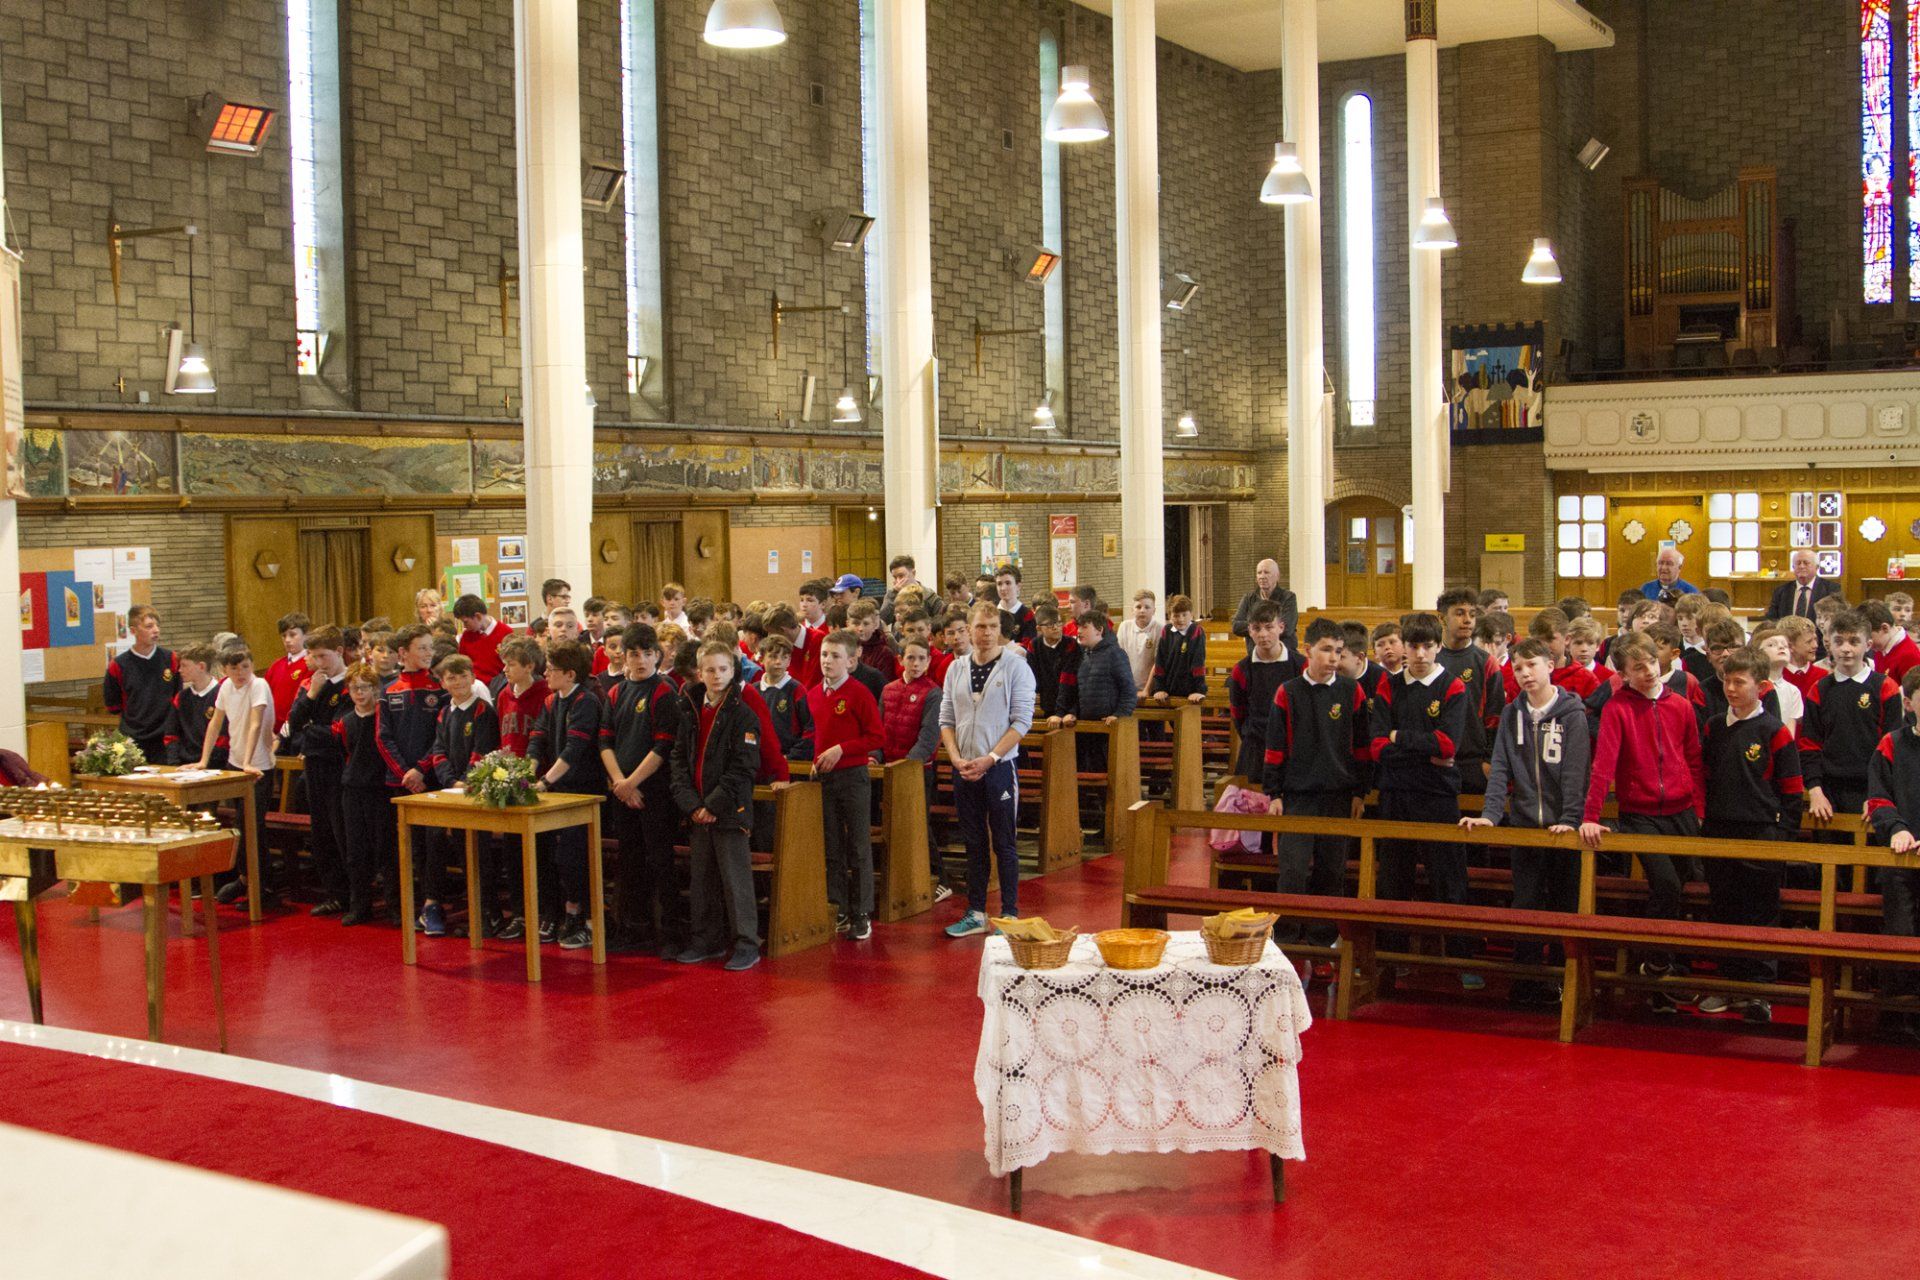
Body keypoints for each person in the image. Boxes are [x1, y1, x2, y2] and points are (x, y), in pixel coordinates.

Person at [1580, 633, 1706, 1011]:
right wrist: (1591, 816)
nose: (1648, 671)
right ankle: (1654, 961)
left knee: (1683, 886)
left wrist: (1699, 809)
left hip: (1682, 811)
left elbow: (1694, 760)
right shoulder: (1617, 708)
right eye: (1637, 667)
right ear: (1623, 674)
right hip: (1641, 814)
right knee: (1665, 884)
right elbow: (1604, 766)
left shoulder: (1681, 704)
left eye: (1651, 662)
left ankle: (1665, 976)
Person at [1462, 637, 1590, 1007]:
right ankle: (1527, 980)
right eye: (1518, 668)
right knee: (1527, 901)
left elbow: (1575, 771)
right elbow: (1500, 764)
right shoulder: (1512, 713)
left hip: (1563, 828)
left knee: (1564, 903)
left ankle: (1565, 980)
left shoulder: (1571, 714)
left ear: (1550, 664)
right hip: (1523, 824)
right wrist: (1490, 814)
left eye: (1532, 665)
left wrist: (1569, 818)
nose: (1525, 673)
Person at [1695, 646, 1803, 1019]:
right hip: (1719, 830)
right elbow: (1704, 778)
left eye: (1739, 682)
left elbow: (1792, 792)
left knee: (1760, 913)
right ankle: (1727, 984)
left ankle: (1758, 992)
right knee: (1724, 909)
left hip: (1760, 834)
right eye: (1726, 680)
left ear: (1760, 686)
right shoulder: (1712, 727)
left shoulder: (1774, 732)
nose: (1730, 688)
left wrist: (1782, 840)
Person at [1368, 613, 1473, 974]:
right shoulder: (1388, 685)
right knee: (1393, 879)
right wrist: (1416, 748)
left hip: (1438, 796)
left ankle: (1461, 959)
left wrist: (1400, 737)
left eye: (1428, 646)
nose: (1421, 653)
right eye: (1414, 646)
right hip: (1396, 793)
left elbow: (1447, 746)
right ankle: (1390, 961)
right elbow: (1377, 747)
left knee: (1449, 880)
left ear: (1438, 647)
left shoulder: (1453, 687)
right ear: (1404, 647)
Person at [1261, 618, 1369, 935]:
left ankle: (1323, 942)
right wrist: (1274, 793)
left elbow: (1361, 748)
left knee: (1331, 872)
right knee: (1293, 871)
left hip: (1339, 796)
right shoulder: (1288, 692)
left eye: (1338, 651)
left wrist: (1360, 792)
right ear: (1308, 650)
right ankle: (1289, 942)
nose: (1334, 658)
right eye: (1326, 650)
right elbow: (1275, 746)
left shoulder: (1352, 691)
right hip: (1297, 796)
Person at [940, 603, 1035, 938]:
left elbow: (1022, 722)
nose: (986, 633)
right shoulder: (956, 669)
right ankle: (976, 911)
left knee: (1004, 842)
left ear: (1001, 629)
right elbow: (947, 719)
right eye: (979, 626)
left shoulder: (1015, 667)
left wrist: (991, 758)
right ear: (968, 629)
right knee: (973, 842)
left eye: (992, 626)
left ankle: (1008, 914)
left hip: (998, 768)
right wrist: (954, 757)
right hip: (964, 767)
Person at [669, 640, 763, 971]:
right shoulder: (691, 708)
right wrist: (691, 804)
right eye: (710, 670)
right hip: (697, 809)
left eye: (723, 669)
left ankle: (747, 943)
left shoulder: (742, 714)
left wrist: (713, 804)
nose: (717, 675)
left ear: (733, 671)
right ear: (700, 672)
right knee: (702, 878)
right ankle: (705, 940)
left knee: (736, 879)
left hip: (728, 810)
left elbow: (743, 768)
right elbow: (679, 758)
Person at [602, 623, 685, 954]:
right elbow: (605, 741)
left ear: (657, 656)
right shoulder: (615, 692)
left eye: (647, 654)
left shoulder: (664, 691)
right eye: (633, 654)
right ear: (624, 657)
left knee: (660, 861)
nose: (640, 660)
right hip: (623, 791)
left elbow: (663, 746)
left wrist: (633, 783)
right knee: (630, 861)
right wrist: (619, 784)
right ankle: (633, 928)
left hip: (654, 793)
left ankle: (670, 934)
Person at [528, 641, 604, 949]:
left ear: (570, 674)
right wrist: (525, 773)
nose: (545, 673)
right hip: (559, 791)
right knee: (552, 855)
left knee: (574, 857)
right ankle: (562, 912)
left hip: (583, 791)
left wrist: (544, 781)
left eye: (551, 669)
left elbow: (574, 749)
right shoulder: (551, 701)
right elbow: (537, 738)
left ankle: (583, 917)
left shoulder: (585, 702)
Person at [810, 629, 884, 940]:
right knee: (831, 846)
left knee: (857, 845)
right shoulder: (813, 694)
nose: (827, 661)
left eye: (835, 656)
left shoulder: (859, 693)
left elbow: (876, 737)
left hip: (852, 776)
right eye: (824, 654)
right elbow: (808, 735)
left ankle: (861, 911)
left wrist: (843, 749)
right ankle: (837, 906)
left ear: (851, 661)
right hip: (823, 779)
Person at [1800, 610, 1903, 829]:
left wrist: (1878, 794)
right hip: (1828, 791)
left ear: (1868, 644)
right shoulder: (1819, 690)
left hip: (1872, 789)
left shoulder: (1885, 688)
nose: (1846, 649)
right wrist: (1815, 791)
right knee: (1829, 855)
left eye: (1854, 641)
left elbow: (1891, 748)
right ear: (1829, 645)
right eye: (1839, 641)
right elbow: (1809, 745)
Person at [1866, 669, 1920, 1044]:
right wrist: (1897, 828)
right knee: (1900, 932)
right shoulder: (1891, 743)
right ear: (1908, 703)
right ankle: (1898, 1014)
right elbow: (1878, 797)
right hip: (1901, 858)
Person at [202, 646, 278, 906]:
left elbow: (256, 724)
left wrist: (247, 761)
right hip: (237, 762)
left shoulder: (259, 685)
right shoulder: (225, 687)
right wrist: (203, 760)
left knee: (253, 827)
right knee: (241, 827)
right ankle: (246, 879)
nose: (240, 673)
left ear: (251, 665)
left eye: (244, 666)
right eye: (233, 668)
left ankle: (263, 887)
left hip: (258, 766)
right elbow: (216, 723)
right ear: (225, 670)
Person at [287, 626, 353, 917]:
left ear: (339, 652)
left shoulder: (352, 684)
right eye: (312, 657)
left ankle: (352, 895)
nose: (317, 663)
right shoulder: (313, 683)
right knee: (321, 832)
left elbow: (340, 732)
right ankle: (334, 893)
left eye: (322, 656)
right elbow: (293, 725)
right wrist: (312, 694)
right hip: (314, 765)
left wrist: (309, 729)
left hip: (340, 766)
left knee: (342, 833)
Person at [333, 663, 392, 926]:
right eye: (355, 688)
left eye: (365, 687)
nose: (360, 693)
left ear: (375, 689)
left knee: (385, 850)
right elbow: (344, 752)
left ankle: (394, 906)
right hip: (353, 789)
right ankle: (360, 906)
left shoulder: (383, 716)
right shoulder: (345, 722)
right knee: (356, 852)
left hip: (380, 789)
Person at [1434, 588, 1503, 796]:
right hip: (1436, 760)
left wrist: (1489, 760)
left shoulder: (1486, 662)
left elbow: (1496, 716)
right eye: (1459, 613)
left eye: (1472, 615)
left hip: (1473, 763)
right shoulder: (1431, 660)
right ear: (1442, 618)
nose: (1467, 620)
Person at [1229, 601, 1301, 782]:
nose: (1263, 634)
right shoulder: (1241, 670)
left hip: (1293, 747)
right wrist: (1250, 734)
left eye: (1269, 627)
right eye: (1256, 628)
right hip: (1255, 748)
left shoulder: (1300, 665)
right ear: (1249, 631)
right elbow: (1238, 713)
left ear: (1281, 627)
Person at [104, 604, 178, 763]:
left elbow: (178, 698)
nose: (156, 630)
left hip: (164, 737)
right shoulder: (118, 665)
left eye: (157, 625)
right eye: (149, 626)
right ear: (133, 630)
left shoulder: (171, 659)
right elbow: (113, 706)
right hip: (133, 737)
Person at [165, 642, 224, 768]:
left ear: (201, 666)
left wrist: (206, 763)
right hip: (184, 765)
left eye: (185, 666)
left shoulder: (221, 694)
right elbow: (171, 734)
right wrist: (174, 764)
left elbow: (223, 738)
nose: (179, 670)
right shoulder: (181, 697)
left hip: (214, 765)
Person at [754, 635, 814, 760]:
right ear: (761, 659)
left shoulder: (797, 690)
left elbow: (810, 729)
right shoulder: (753, 690)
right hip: (758, 759)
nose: (778, 662)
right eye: (773, 656)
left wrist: (793, 755)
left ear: (789, 661)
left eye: (784, 657)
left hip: (788, 760)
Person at [1147, 594, 1208, 705]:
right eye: (1176, 615)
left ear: (1192, 615)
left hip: (1191, 692)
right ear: (1170, 616)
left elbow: (1198, 662)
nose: (1180, 619)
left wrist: (1199, 691)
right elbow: (1160, 661)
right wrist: (1159, 688)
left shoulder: (1196, 631)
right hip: (1169, 690)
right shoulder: (1167, 631)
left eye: (1184, 615)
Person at [1027, 601, 1081, 725]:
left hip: (1071, 704)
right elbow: (1032, 678)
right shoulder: (1034, 645)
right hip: (1048, 703)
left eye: (1058, 622)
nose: (1056, 627)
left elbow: (1068, 680)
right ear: (1039, 628)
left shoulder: (1070, 644)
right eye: (1050, 625)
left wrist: (1060, 712)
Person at [1230, 558, 1299, 650]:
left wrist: (1255, 627)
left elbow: (1286, 628)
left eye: (1266, 572)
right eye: (1259, 573)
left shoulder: (1288, 597)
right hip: (1255, 654)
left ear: (1277, 576)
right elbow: (1236, 627)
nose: (1262, 576)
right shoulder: (1248, 598)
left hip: (1283, 654)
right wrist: (1270, 626)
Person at [263, 612, 311, 738]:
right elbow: (265, 695)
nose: (287, 640)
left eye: (292, 635)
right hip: (271, 730)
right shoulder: (276, 665)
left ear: (305, 635)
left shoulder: (309, 664)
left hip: (295, 729)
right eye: (284, 636)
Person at [1763, 549, 1841, 623]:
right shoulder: (1781, 591)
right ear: (1793, 567)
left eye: (1806, 563)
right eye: (1798, 563)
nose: (1801, 566)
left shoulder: (1831, 589)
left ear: (1816, 567)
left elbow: (1835, 620)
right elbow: (1771, 620)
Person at [454, 594, 510, 685]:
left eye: (465, 622)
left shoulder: (505, 633)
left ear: (478, 616)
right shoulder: (466, 636)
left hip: (497, 687)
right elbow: (462, 665)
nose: (464, 626)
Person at [1115, 589, 1162, 699]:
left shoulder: (1159, 629)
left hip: (1149, 688)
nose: (1142, 611)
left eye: (1147, 607)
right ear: (1132, 610)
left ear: (1154, 610)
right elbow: (1119, 659)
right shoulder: (1124, 626)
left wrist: (1146, 690)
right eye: (1138, 607)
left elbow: (1158, 663)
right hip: (1127, 686)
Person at [1864, 599, 1920, 683]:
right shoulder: (1881, 648)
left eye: (1869, 637)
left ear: (1885, 628)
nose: (1867, 643)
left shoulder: (1910, 656)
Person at [850, 599, 901, 682]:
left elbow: (885, 687)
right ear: (848, 624)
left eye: (866, 624)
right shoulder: (842, 648)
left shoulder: (884, 653)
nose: (860, 628)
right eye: (856, 623)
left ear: (875, 625)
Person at [994, 566, 1037, 648]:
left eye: (1008, 583)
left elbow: (1028, 646)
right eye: (999, 584)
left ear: (1018, 586)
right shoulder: (992, 613)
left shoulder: (1027, 615)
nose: (1003, 588)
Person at [878, 554, 921, 625]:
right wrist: (894, 594)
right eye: (895, 577)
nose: (898, 581)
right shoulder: (891, 594)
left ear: (913, 573)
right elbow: (882, 620)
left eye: (901, 576)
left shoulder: (928, 594)